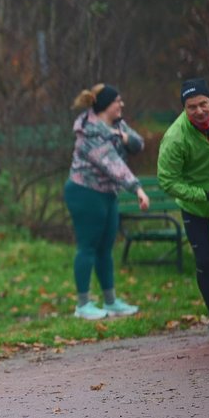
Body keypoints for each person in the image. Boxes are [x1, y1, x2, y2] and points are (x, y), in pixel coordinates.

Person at [157, 78, 209, 342]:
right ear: (184, 108)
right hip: (195, 205)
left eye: (203, 104)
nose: (199, 111)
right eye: (192, 107)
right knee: (204, 262)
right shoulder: (175, 137)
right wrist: (203, 195)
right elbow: (167, 180)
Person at [64, 83, 149, 320]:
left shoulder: (117, 124)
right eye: (117, 101)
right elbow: (113, 164)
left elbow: (139, 144)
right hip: (85, 193)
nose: (121, 104)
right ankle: (83, 305)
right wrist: (137, 189)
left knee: (105, 248)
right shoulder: (89, 132)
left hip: (107, 194)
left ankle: (110, 302)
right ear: (105, 105)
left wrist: (124, 137)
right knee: (88, 247)